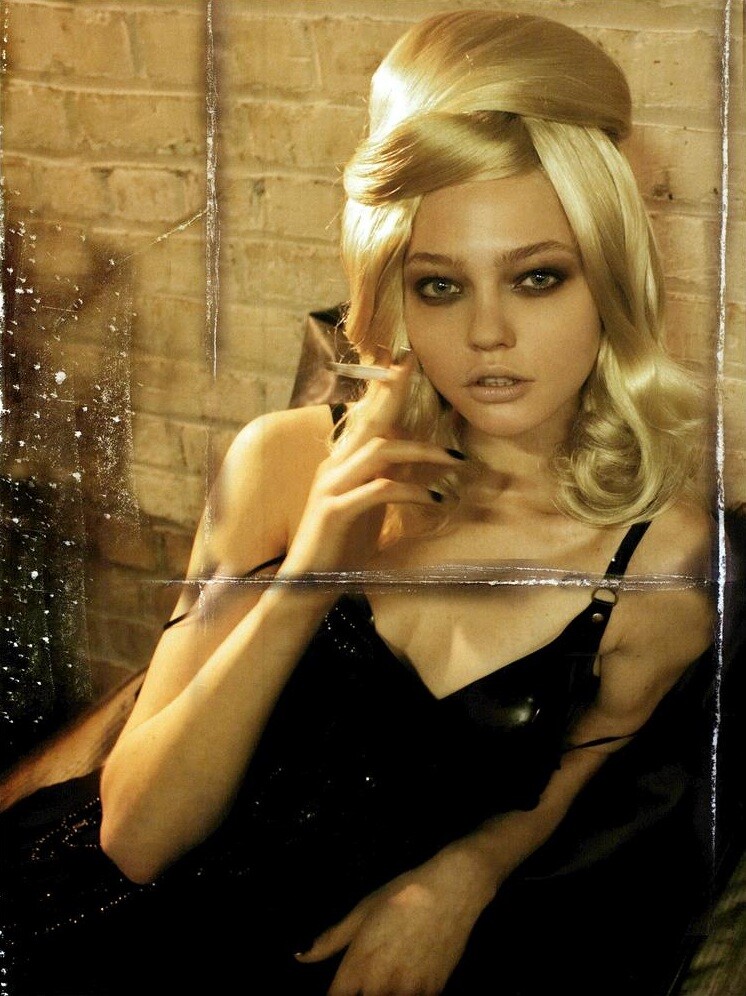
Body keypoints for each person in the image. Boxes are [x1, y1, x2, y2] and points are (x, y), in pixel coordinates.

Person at [3, 10, 717, 996]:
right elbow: (134, 836)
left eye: (537, 277)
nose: (488, 333)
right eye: (439, 286)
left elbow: (574, 780)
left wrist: (465, 872)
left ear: (609, 279)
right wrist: (312, 573)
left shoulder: (660, 566)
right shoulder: (282, 461)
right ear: (394, 291)